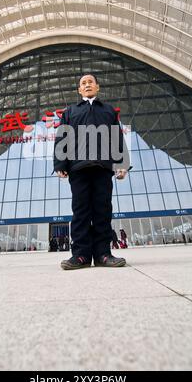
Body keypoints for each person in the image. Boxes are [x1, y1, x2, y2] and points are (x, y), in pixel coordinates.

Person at [54, 74, 131, 270]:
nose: (87, 85)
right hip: (78, 168)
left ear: (97, 87)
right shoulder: (70, 111)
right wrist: (60, 165)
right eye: (83, 83)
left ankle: (103, 254)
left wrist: (122, 164)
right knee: (80, 212)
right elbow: (62, 138)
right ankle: (80, 256)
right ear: (79, 90)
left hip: (103, 168)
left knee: (102, 211)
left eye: (90, 82)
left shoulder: (108, 111)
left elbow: (117, 139)